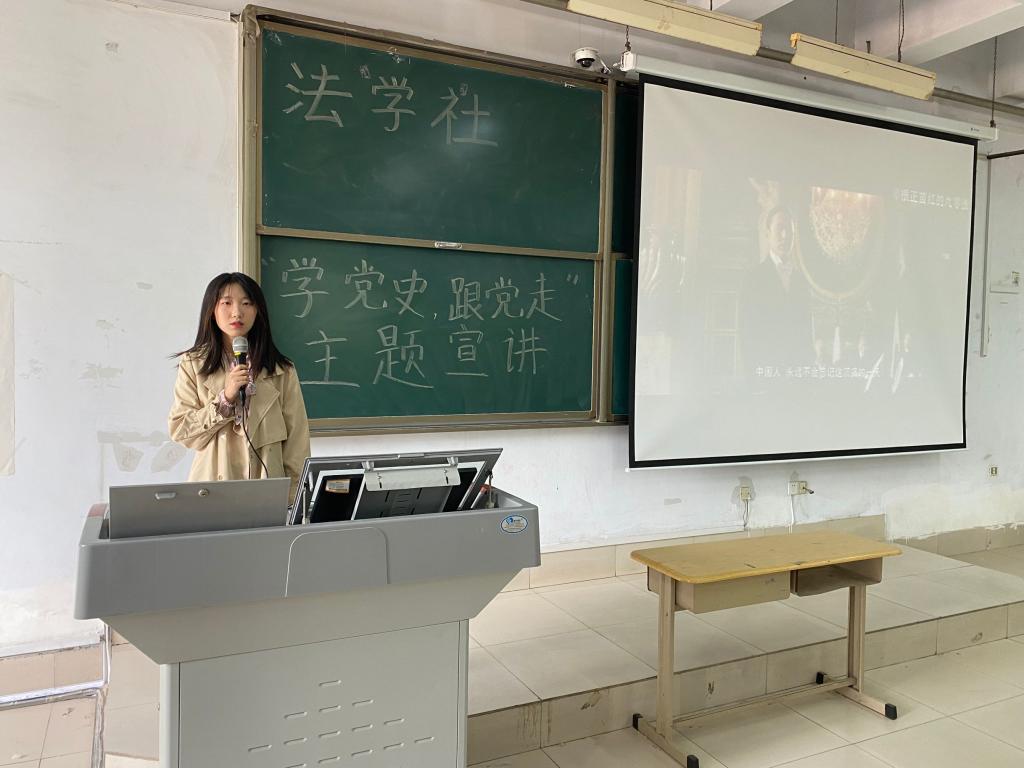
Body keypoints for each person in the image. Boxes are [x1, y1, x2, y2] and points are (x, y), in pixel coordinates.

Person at [169, 272, 310, 500]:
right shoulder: (193, 364)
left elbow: (297, 443)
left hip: (267, 493)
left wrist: (293, 500)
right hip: (211, 493)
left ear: (258, 311)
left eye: (246, 303)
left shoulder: (281, 370)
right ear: (211, 310)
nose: (237, 312)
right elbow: (181, 431)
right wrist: (225, 398)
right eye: (226, 303)